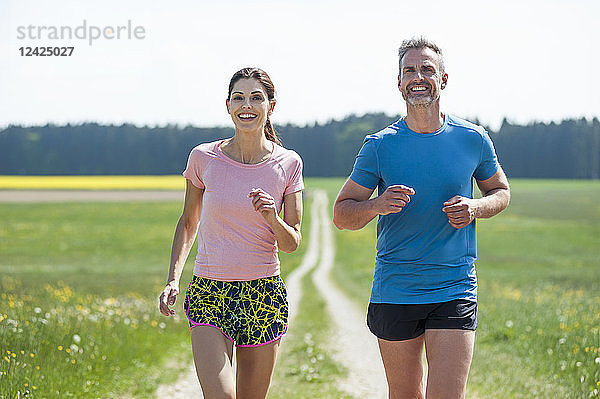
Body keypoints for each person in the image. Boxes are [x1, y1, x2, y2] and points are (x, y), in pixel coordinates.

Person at [333, 38, 510, 399]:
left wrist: (475, 208)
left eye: (427, 69)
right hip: (396, 289)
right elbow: (342, 214)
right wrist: (376, 205)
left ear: (443, 79)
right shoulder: (379, 145)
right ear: (399, 83)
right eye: (409, 70)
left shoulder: (473, 139)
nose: (418, 77)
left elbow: (501, 192)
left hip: (454, 286)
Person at [159, 67, 304, 399]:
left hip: (262, 295)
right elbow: (188, 222)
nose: (246, 105)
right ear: (227, 105)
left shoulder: (289, 163)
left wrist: (271, 216)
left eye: (256, 97)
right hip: (209, 292)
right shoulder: (203, 157)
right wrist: (172, 278)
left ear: (271, 105)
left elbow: (292, 242)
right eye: (238, 97)